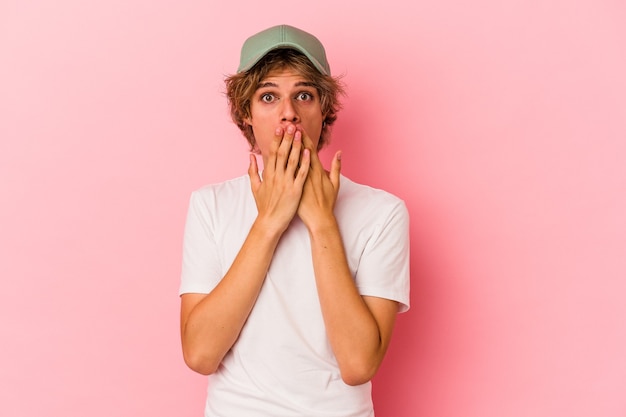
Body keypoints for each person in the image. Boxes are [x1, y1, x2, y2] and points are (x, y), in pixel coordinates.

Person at [179, 24, 410, 416]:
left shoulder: (382, 213)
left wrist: (322, 222)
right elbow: (200, 354)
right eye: (268, 96)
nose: (288, 113)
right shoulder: (210, 205)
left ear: (324, 109)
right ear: (246, 115)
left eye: (303, 95)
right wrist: (269, 222)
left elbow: (358, 365)